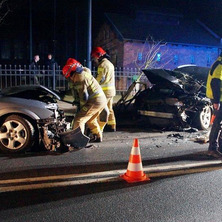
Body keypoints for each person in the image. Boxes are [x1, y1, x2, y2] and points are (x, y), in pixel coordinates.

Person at [62, 58, 107, 142]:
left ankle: (78, 140)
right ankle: (97, 136)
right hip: (100, 100)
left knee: (79, 119)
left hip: (94, 101)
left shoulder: (79, 77)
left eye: (69, 76)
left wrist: (81, 108)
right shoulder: (82, 74)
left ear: (72, 72)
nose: (70, 79)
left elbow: (83, 96)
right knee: (90, 119)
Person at [91, 47, 116, 132]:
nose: (94, 60)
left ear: (99, 56)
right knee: (109, 108)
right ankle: (112, 125)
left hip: (104, 92)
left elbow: (100, 79)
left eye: (94, 58)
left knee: (101, 110)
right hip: (111, 91)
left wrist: (92, 84)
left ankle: (99, 129)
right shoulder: (110, 64)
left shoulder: (102, 65)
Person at [206, 52, 222, 157]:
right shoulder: (220, 65)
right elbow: (215, 82)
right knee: (217, 123)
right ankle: (212, 148)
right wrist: (216, 101)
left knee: (219, 123)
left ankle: (218, 147)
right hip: (218, 99)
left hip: (219, 98)